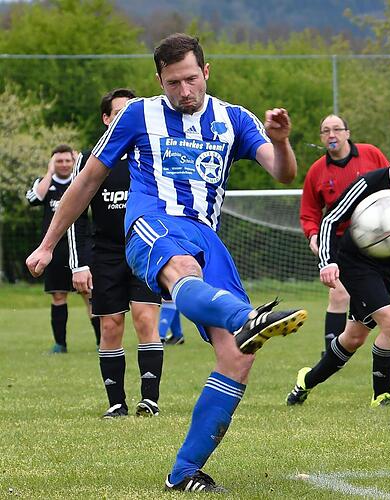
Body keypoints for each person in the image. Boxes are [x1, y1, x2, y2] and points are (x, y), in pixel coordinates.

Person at [26, 33, 308, 493]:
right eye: (173, 82)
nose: (184, 90)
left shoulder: (234, 118)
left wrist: (281, 141)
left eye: (191, 79)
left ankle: (184, 472)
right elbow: (86, 181)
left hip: (207, 236)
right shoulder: (137, 115)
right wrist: (47, 244)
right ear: (159, 80)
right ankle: (246, 317)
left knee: (237, 355)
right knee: (183, 272)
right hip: (152, 223)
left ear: (206, 72)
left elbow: (283, 172)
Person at [287, 124, 390, 408]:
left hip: (389, 268)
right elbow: (331, 219)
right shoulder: (370, 183)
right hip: (356, 263)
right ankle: (382, 395)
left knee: (353, 338)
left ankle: (306, 381)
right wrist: (328, 262)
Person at [71, 88, 164, 419]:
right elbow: (75, 214)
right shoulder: (90, 160)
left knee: (145, 318)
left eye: (130, 112)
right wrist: (79, 265)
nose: (125, 118)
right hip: (106, 253)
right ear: (106, 118)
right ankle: (116, 404)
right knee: (110, 326)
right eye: (118, 113)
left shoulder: (149, 155)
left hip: (144, 247)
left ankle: (149, 400)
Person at [25, 144, 100, 353]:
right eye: (59, 161)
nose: (64, 164)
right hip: (55, 250)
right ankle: (60, 344)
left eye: (68, 160)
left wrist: (80, 167)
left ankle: (101, 342)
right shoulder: (45, 183)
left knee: (88, 293)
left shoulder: (82, 181)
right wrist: (49, 173)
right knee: (58, 295)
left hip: (82, 245)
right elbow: (33, 199)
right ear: (52, 162)